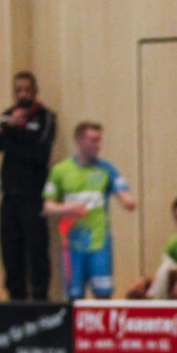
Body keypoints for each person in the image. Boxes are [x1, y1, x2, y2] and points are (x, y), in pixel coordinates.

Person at [42, 121, 137, 299]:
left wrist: (127, 200)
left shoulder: (106, 170)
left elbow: (123, 192)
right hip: (72, 244)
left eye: (99, 140)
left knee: (103, 293)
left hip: (99, 242)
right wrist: (67, 208)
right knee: (74, 296)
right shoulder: (60, 171)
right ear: (79, 140)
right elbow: (48, 207)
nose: (97, 145)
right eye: (92, 140)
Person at [0, 71, 57, 301]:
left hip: (33, 196)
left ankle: (40, 298)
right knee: (10, 251)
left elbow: (39, 154)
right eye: (18, 90)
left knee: (36, 250)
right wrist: (9, 128)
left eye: (27, 90)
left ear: (35, 91)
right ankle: (14, 298)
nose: (22, 94)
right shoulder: (7, 117)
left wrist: (16, 135)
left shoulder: (46, 118)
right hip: (9, 196)